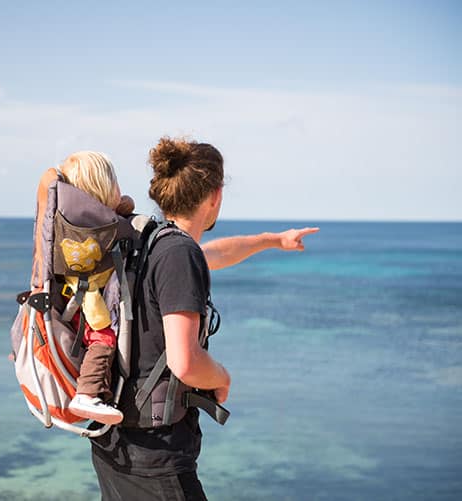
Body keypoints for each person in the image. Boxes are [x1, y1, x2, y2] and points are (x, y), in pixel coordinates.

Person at [89, 136, 319, 500]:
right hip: (155, 458)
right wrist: (221, 376)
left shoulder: (147, 240)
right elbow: (185, 362)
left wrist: (275, 240)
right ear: (215, 195)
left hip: (114, 444)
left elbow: (213, 253)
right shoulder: (178, 253)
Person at [58, 151, 132, 425]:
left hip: (77, 293)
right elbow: (124, 223)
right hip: (88, 296)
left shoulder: (76, 221)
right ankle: (87, 394)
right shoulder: (100, 224)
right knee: (103, 338)